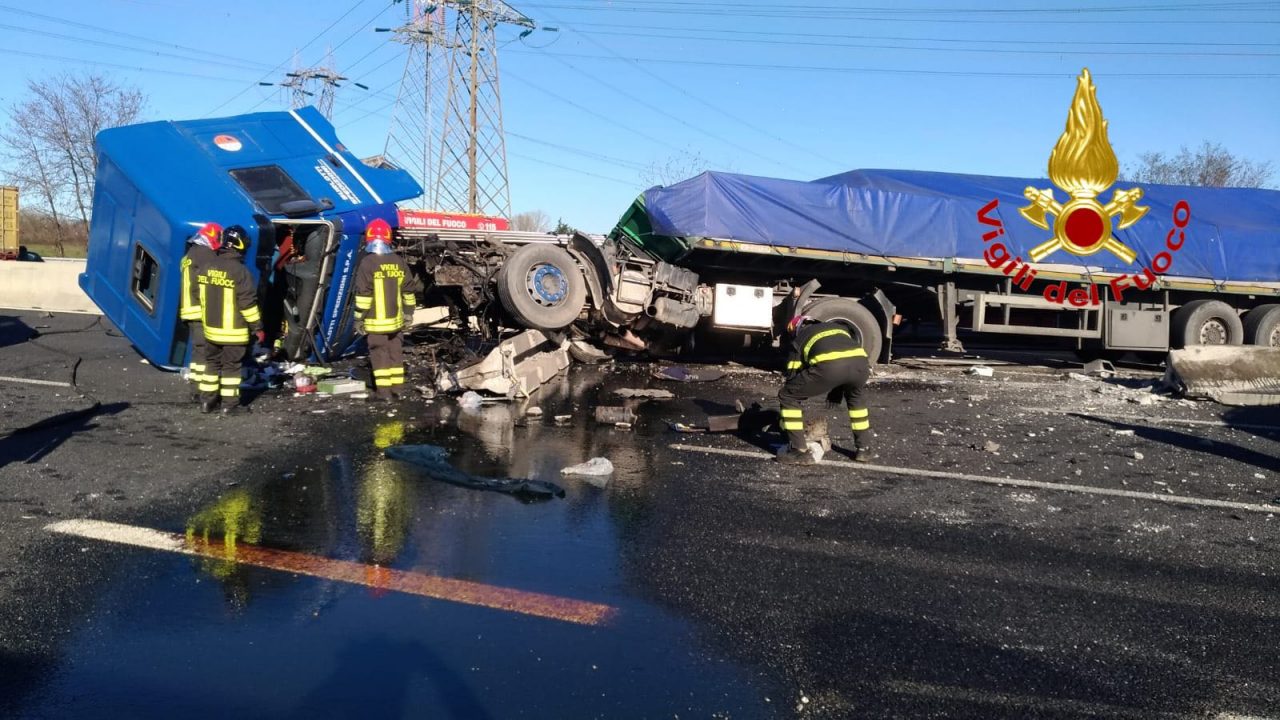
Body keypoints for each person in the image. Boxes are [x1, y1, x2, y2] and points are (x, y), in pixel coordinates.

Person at [777, 314, 872, 464]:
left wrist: (789, 412)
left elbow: (792, 374)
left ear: (797, 329)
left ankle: (798, 450)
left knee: (788, 396)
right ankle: (864, 450)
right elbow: (845, 357)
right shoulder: (838, 328)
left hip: (830, 368)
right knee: (856, 401)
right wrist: (837, 390)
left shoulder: (800, 337)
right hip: (862, 365)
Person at [196, 225, 263, 414]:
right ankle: (230, 406)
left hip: (210, 329)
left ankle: (207, 402)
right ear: (241, 245)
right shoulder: (240, 272)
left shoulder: (207, 266)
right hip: (233, 332)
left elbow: (199, 295)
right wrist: (257, 327)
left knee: (211, 365)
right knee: (231, 369)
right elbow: (248, 304)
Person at [353, 218, 422, 401]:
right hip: (396, 322)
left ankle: (383, 393)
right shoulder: (398, 261)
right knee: (395, 354)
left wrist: (359, 318)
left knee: (379, 354)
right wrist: (408, 313)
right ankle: (398, 390)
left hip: (376, 322)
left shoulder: (367, 263)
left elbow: (363, 296)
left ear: (369, 238)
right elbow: (409, 289)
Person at [181, 222, 222, 395]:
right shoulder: (206, 255)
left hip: (190, 310)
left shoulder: (190, 254)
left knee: (198, 352)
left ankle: (196, 388)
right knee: (206, 353)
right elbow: (209, 282)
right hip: (201, 310)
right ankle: (203, 392)